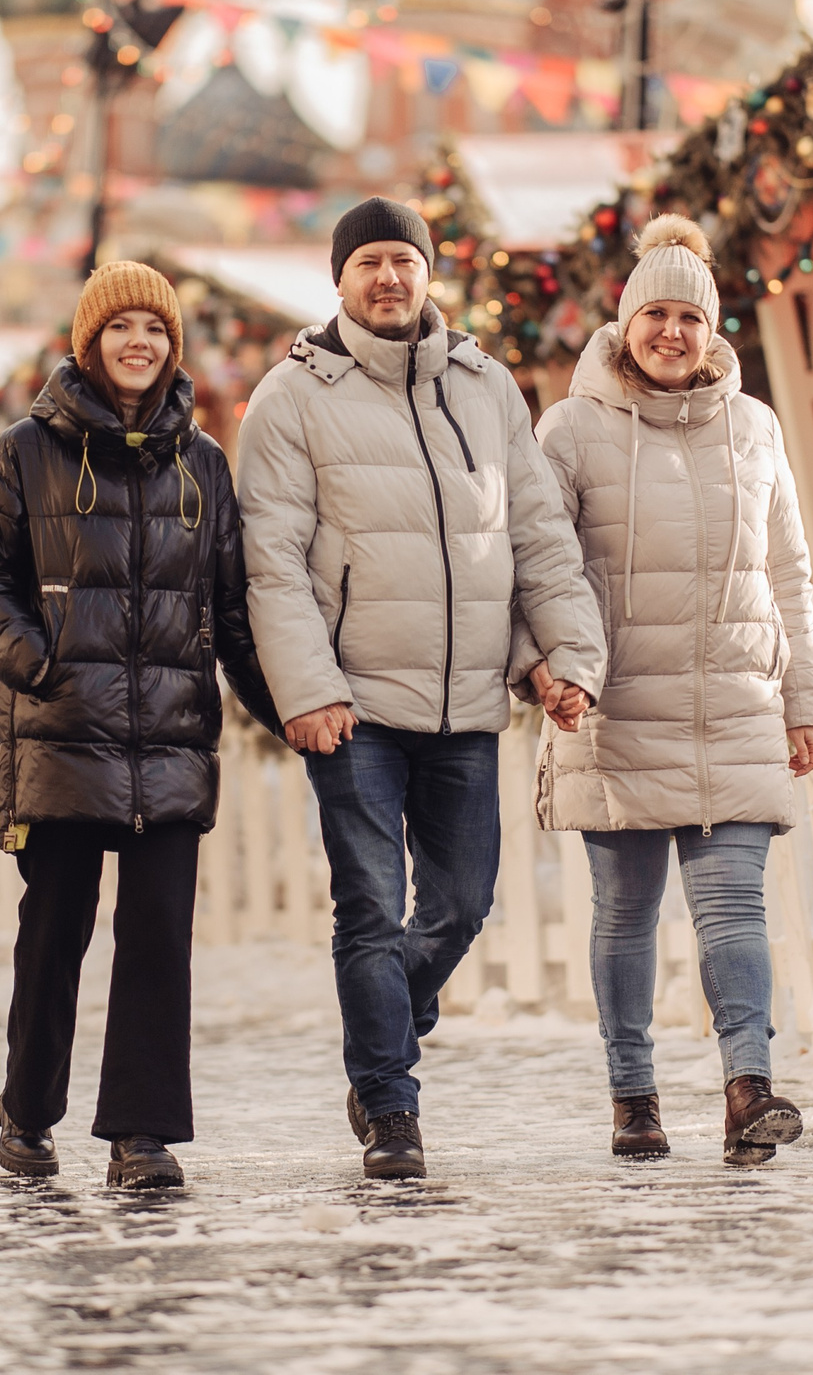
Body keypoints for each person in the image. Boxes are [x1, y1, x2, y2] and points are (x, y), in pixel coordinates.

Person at [236, 195, 605, 1181]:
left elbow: (535, 536)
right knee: (369, 903)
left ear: (427, 272)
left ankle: (385, 1016)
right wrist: (304, 691)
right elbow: (270, 562)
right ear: (340, 281)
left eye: (404, 260)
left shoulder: (484, 388)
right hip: (352, 706)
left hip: (467, 702)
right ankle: (391, 1109)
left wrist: (556, 656)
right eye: (370, 265)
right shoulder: (292, 396)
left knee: (462, 901)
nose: (389, 279)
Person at [0, 261, 279, 1190]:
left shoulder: (204, 464)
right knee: (56, 931)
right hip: (63, 736)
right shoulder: (28, 450)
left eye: (156, 330)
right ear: (88, 341)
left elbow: (234, 607)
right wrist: (35, 662)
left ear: (173, 347)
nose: (139, 343)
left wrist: (289, 708)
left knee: (156, 939)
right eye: (120, 328)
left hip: (173, 743)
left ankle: (141, 1136)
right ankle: (28, 1111)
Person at [520, 214, 813, 1165]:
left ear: (712, 328)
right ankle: (634, 1096)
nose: (671, 333)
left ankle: (749, 1089)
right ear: (623, 325)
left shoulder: (754, 426)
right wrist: (550, 667)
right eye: (654, 313)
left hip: (735, 703)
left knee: (736, 906)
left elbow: (790, 571)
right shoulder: (569, 431)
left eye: (688, 317)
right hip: (617, 709)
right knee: (627, 914)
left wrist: (807, 697)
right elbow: (538, 562)